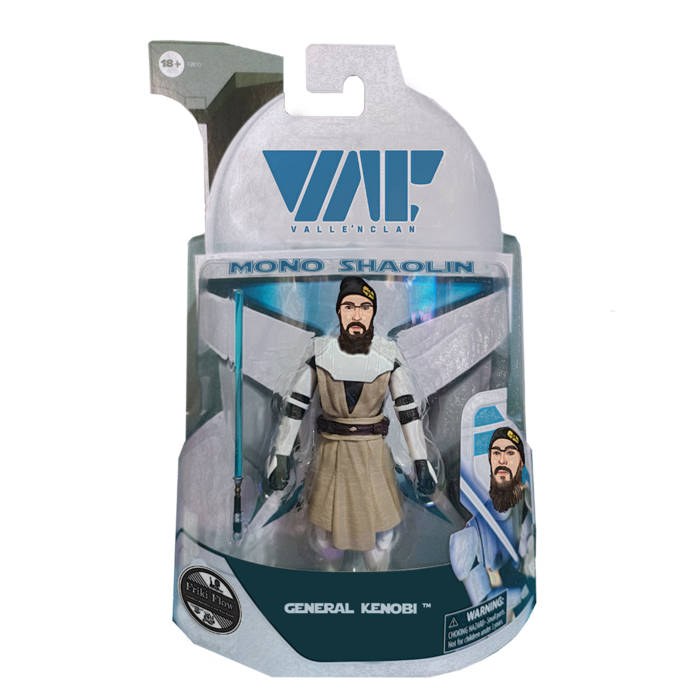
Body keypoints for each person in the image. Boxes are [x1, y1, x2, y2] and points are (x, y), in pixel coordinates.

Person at [266, 276, 436, 570]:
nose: (356, 314)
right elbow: (295, 407)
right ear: (339, 311)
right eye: (349, 306)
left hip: (373, 456)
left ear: (373, 312)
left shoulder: (387, 355)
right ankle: (330, 575)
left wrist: (421, 461)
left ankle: (376, 577)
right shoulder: (321, 352)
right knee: (323, 533)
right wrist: (280, 455)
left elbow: (408, 411)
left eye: (364, 307)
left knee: (382, 532)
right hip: (331, 454)